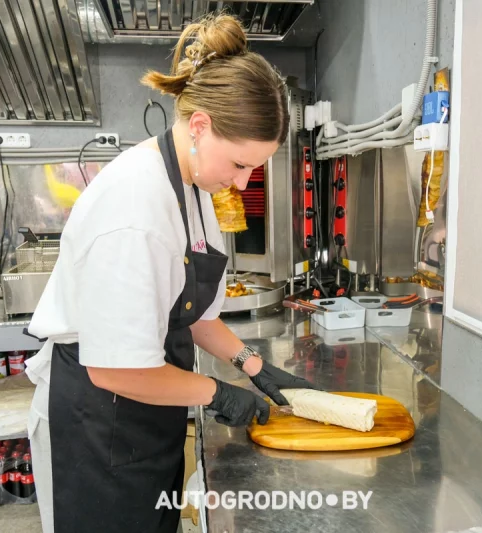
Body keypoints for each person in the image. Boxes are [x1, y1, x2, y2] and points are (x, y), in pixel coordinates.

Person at [25, 14, 317, 533]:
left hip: (148, 406)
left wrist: (251, 364)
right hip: (100, 423)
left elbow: (194, 316)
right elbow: (115, 370)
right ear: (200, 126)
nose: (244, 180)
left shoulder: (192, 186)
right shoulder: (134, 210)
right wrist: (218, 393)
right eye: (240, 163)